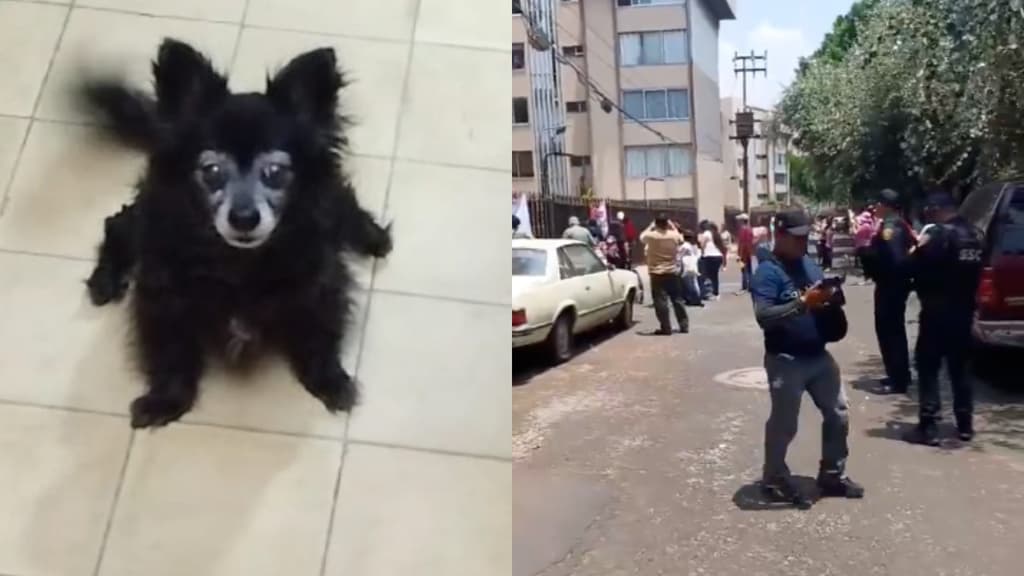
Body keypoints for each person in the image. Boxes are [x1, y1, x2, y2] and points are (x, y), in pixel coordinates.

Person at [750, 210, 863, 508]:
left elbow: (821, 297)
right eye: (797, 237)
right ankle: (773, 476)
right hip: (785, 359)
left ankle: (832, 475)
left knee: (838, 414)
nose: (803, 242)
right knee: (785, 424)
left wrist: (831, 298)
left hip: (818, 356)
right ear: (781, 234)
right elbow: (763, 316)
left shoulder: (808, 264)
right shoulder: (767, 272)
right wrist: (802, 303)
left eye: (806, 236)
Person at [902, 192, 984, 445]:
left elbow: (912, 265)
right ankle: (965, 424)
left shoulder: (938, 235)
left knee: (928, 367)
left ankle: (928, 426)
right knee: (961, 369)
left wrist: (915, 249)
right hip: (964, 311)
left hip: (937, 312)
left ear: (937, 209)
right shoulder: (975, 235)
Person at [861, 188, 916, 394]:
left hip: (890, 285)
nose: (875, 207)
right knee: (893, 330)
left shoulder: (891, 227)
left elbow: (894, 259)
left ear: (886, 205)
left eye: (878, 203)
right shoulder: (896, 224)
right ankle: (897, 374)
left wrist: (870, 255)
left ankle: (898, 379)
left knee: (889, 331)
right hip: (894, 285)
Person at [641, 214, 689, 334]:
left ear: (656, 223)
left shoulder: (651, 236)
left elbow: (641, 237)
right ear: (667, 223)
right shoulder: (673, 236)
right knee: (677, 300)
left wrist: (650, 226)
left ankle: (666, 327)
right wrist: (672, 226)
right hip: (672, 271)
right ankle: (684, 325)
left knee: (660, 301)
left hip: (656, 272)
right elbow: (681, 239)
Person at [698, 222, 727, 299]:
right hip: (718, 256)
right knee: (714, 275)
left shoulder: (706, 233)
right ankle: (716, 292)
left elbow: (702, 244)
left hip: (709, 256)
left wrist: (702, 252)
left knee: (705, 275)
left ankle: (706, 292)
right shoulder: (715, 234)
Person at [678, 231, 703, 306]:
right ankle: (698, 298)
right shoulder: (694, 246)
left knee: (689, 284)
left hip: (687, 265)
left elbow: (679, 256)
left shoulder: (685, 246)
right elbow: (698, 255)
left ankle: (692, 299)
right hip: (693, 264)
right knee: (694, 283)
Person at [853, 206, 876, 281]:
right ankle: (869, 275)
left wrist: (854, 226)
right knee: (868, 262)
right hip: (869, 245)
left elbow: (856, 233)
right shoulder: (871, 225)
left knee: (864, 262)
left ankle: (867, 276)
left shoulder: (864, 226)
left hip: (862, 246)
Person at [736, 213, 754, 292]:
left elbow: (743, 243)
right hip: (749, 252)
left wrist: (739, 254)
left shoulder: (743, 230)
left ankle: (745, 285)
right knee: (749, 269)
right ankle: (750, 285)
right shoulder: (749, 229)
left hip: (744, 253)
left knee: (744, 269)